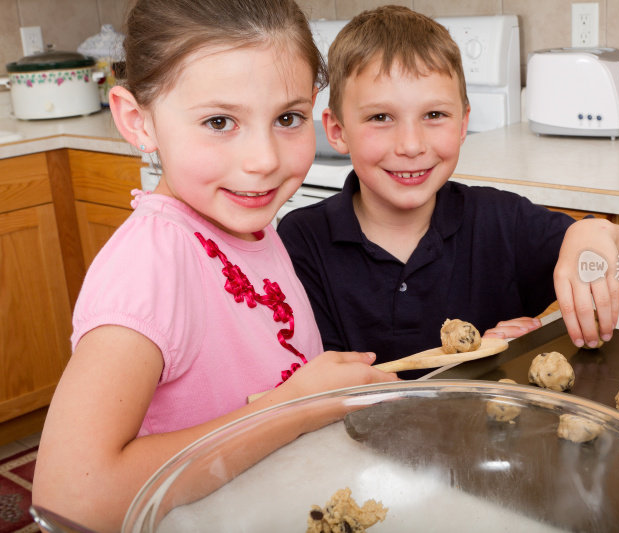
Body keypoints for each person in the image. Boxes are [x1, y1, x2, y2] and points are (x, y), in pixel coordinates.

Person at [32, 1, 397, 530]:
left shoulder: (251, 226)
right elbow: (71, 498)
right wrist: (292, 408)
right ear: (139, 121)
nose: (264, 159)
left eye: (287, 118)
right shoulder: (151, 265)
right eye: (220, 121)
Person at [277, 5, 619, 370]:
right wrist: (470, 361)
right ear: (336, 130)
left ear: (463, 123)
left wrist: (595, 232)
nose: (411, 145)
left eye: (434, 115)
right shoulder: (302, 241)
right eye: (381, 117)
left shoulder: (501, 221)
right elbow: (318, 387)